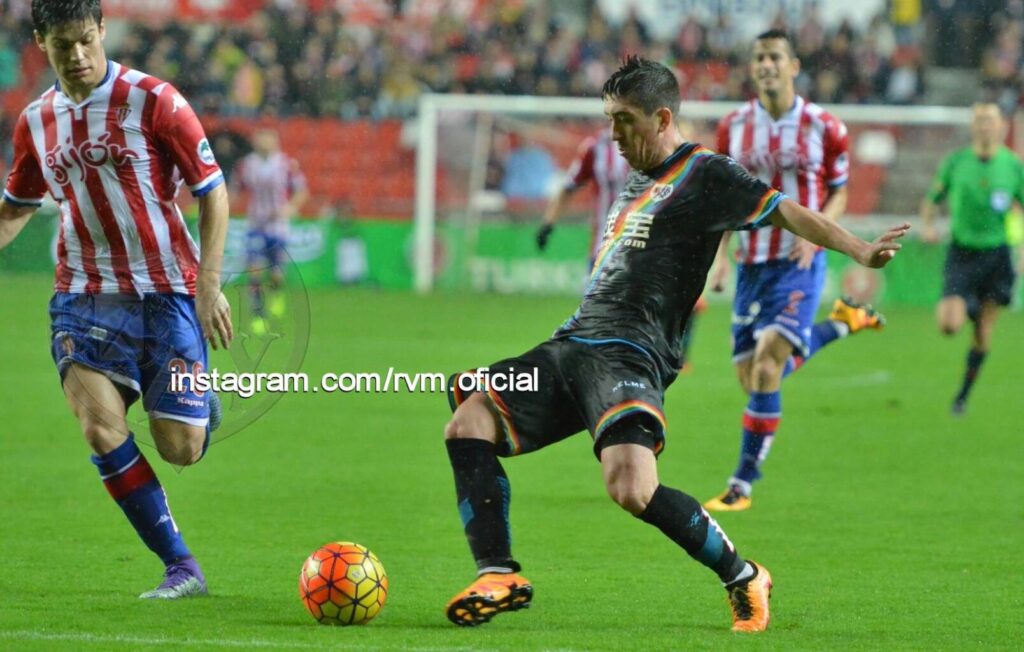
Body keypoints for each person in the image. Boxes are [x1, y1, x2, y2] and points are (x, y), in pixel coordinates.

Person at [442, 56, 909, 633]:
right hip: (571, 343)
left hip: (630, 353)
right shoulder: (637, 178)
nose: (614, 135)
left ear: (662, 117)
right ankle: (499, 572)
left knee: (632, 488)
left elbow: (787, 211)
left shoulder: (707, 174)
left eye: (625, 121)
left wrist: (860, 249)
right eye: (609, 119)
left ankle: (744, 577)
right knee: (469, 420)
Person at [0, 0, 233, 598]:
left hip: (168, 291)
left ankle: (201, 406)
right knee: (100, 427)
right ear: (40, 42)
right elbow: (16, 209)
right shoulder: (37, 120)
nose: (76, 56)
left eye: (85, 40)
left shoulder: (155, 100)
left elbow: (213, 191)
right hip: (84, 294)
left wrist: (208, 284)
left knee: (181, 447)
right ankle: (181, 566)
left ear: (103, 31)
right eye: (61, 46)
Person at [704, 29, 887, 513]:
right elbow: (725, 198)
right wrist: (720, 256)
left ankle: (742, 482)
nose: (766, 64)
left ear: (794, 65)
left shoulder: (825, 125)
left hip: (800, 260)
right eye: (759, 56)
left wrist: (819, 232)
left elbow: (841, 190)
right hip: (752, 263)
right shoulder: (733, 127)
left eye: (774, 57)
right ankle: (842, 322)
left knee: (767, 363)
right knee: (754, 378)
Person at [538, 127, 705, 370]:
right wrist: (548, 224)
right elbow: (569, 185)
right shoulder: (595, 147)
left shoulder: (658, 144)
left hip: (647, 250)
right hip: (603, 252)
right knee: (598, 323)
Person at [920, 101, 1024, 414]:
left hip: (997, 255)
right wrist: (927, 226)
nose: (984, 126)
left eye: (990, 120)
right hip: (962, 252)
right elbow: (931, 200)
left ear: (1002, 126)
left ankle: (962, 396)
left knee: (982, 333)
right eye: (979, 120)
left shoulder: (1013, 165)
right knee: (949, 325)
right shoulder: (955, 162)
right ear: (972, 126)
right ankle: (971, 306)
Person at [233, 127, 308, 335]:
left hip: (278, 227)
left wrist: (289, 208)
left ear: (275, 141)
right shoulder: (246, 165)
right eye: (261, 138)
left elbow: (301, 191)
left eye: (268, 138)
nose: (264, 142)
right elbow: (235, 190)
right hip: (255, 225)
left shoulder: (286, 165)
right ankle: (258, 315)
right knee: (254, 270)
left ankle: (277, 293)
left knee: (276, 274)